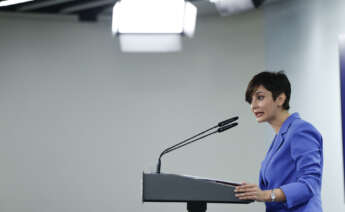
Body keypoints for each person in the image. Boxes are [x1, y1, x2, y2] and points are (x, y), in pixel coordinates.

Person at [234, 71, 323, 212]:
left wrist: (267, 195)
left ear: (280, 99)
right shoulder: (279, 138)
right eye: (251, 100)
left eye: (260, 97)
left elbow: (310, 184)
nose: (253, 105)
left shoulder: (301, 130)